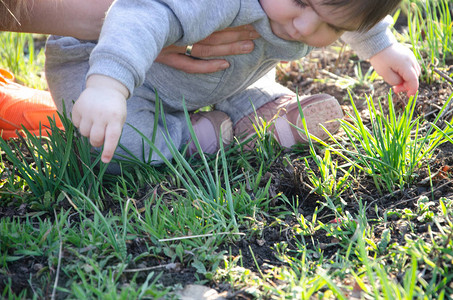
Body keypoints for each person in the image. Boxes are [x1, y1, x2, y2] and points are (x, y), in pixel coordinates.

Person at [45, 0, 420, 170]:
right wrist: (109, 84)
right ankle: (187, 138)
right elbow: (140, 15)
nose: (305, 29)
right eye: (300, 2)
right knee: (116, 147)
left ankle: (260, 113)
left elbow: (353, 11)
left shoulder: (304, 12)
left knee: (248, 69)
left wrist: (381, 47)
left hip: (214, 76)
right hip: (108, 67)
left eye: (333, 28)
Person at [0, 0, 259, 138]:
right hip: (86, 52)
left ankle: (253, 97)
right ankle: (181, 136)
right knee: (115, 138)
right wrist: (135, 24)